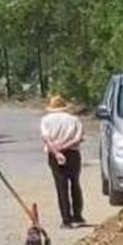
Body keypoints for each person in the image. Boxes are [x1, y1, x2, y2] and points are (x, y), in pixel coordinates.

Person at [40, 94, 86, 228]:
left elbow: (46, 138)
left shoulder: (46, 120)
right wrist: (64, 147)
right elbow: (78, 138)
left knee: (61, 187)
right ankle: (78, 216)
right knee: (75, 183)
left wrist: (56, 151)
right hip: (72, 153)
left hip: (54, 154)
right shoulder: (74, 120)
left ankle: (66, 219)